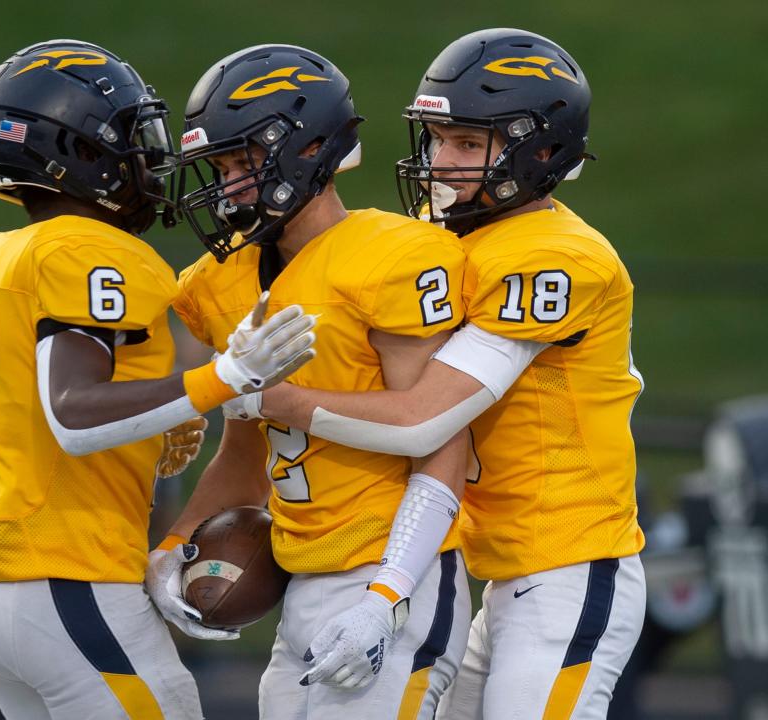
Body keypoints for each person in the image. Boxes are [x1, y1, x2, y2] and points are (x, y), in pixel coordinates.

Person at [233, 29, 648, 720]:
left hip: (571, 567)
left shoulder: (556, 255)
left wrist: (266, 395)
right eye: (435, 139)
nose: (440, 162)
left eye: (466, 144)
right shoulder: (454, 241)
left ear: (539, 150)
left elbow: (426, 416)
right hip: (501, 572)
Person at [0, 39, 316, 720]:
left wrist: (138, 432)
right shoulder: (93, 250)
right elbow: (73, 415)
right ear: (82, 152)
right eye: (132, 138)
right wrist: (228, 375)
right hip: (68, 582)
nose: (148, 159)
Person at [144, 44, 472, 720]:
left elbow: (440, 440)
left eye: (243, 162)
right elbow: (244, 456)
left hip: (395, 575)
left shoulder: (390, 258)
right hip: (300, 577)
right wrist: (175, 546)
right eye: (220, 166)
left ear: (311, 150)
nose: (227, 184)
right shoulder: (222, 283)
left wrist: (385, 597)